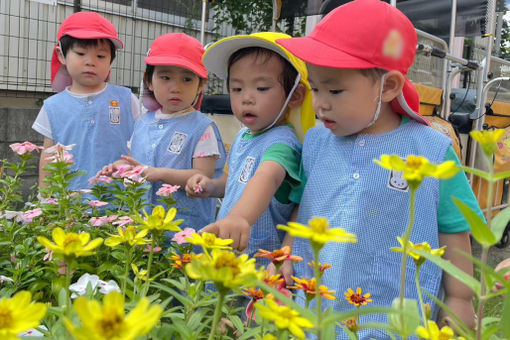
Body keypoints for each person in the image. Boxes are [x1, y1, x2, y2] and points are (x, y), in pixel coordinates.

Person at [275, 0, 484, 337]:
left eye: (335, 90)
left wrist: (460, 299)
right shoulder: (316, 142)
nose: (320, 102)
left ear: (388, 87)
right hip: (316, 307)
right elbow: (305, 208)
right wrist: (288, 252)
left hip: (393, 314)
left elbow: (454, 229)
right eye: (315, 88)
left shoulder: (431, 150)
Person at [185, 32, 315, 263]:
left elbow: (268, 176)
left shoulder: (283, 143)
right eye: (237, 89)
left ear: (295, 96)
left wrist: (239, 217)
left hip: (258, 267)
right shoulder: (244, 136)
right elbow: (232, 182)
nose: (247, 98)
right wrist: (210, 187)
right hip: (229, 257)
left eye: (262, 88)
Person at [101, 33, 226, 231]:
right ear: (149, 81)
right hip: (141, 225)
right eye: (165, 77)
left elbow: (203, 176)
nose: (175, 87)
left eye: (186, 79)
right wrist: (120, 166)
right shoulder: (143, 121)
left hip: (183, 230)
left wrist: (159, 174)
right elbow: (137, 161)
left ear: (200, 85)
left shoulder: (203, 128)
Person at [32, 12, 140, 194]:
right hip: (69, 206)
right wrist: (45, 200)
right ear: (61, 55)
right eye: (81, 53)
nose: (90, 62)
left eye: (100, 56)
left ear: (111, 61)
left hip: (122, 203)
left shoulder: (126, 99)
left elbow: (141, 142)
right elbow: (47, 156)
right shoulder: (52, 106)